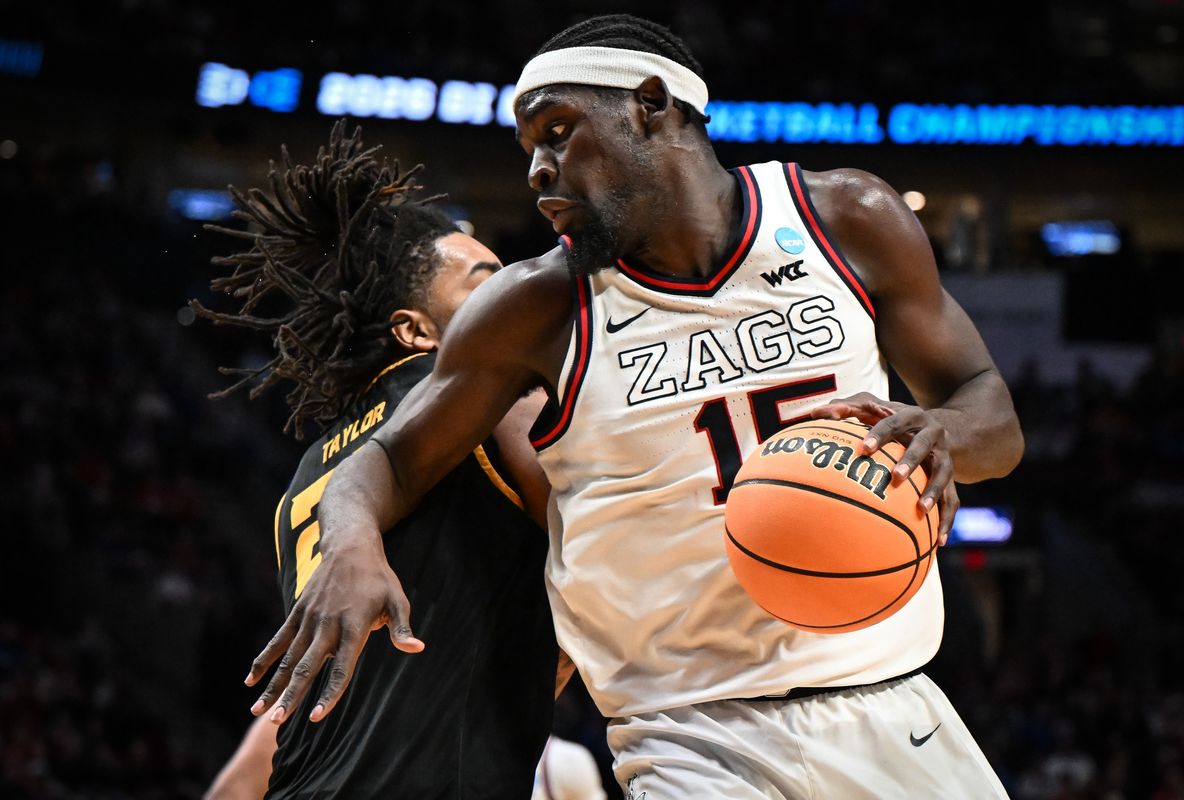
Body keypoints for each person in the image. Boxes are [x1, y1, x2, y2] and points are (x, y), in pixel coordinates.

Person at [244, 16, 1025, 798]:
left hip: (892, 701)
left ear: (651, 102)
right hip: (689, 733)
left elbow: (992, 416)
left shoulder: (845, 217)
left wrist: (947, 431)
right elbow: (383, 460)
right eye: (530, 152)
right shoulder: (536, 307)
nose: (539, 172)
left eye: (558, 133)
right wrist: (351, 541)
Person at [194, 121, 560, 798]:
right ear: (414, 331)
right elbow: (623, 549)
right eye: (486, 282)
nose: (515, 296)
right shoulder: (494, 400)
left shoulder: (309, 475)